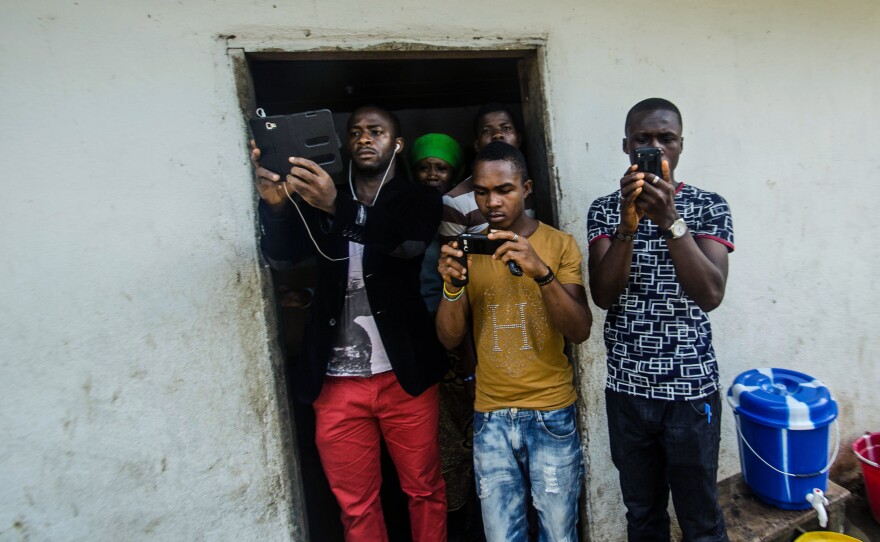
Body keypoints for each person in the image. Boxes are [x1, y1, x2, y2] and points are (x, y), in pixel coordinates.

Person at [253, 105, 449, 542]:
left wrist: (336, 205)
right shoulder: (319, 197)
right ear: (345, 143)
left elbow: (406, 243)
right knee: (356, 505)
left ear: (396, 144)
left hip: (405, 378)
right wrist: (277, 207)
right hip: (335, 383)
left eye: (376, 131)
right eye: (356, 131)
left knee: (424, 490)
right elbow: (283, 258)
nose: (364, 138)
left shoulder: (419, 198)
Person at [586, 98, 734, 541]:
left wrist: (670, 220)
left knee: (700, 518)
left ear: (681, 145)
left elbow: (710, 294)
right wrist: (627, 226)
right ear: (626, 146)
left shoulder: (709, 206)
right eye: (643, 139)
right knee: (643, 516)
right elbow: (604, 295)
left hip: (690, 393)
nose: (655, 148)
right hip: (628, 391)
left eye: (665, 139)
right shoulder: (604, 210)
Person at [436, 141, 592, 541]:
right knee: (503, 535)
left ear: (526, 187)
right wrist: (452, 288)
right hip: (491, 416)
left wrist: (540, 271)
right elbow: (450, 338)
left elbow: (579, 329)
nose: (492, 201)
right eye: (482, 191)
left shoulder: (559, 245)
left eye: (504, 189)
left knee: (559, 533)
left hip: (552, 411)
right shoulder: (467, 252)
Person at [438, 103, 535, 244]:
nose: (497, 135)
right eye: (487, 131)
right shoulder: (454, 202)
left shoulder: (537, 189)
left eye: (506, 128)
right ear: (476, 145)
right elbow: (453, 260)